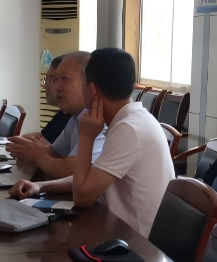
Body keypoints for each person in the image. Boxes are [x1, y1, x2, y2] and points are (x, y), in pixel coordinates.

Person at [10, 48, 175, 237]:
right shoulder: (130, 119)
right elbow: (93, 177)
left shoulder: (128, 128)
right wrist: (41, 186)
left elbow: (82, 196)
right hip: (118, 230)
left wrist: (87, 137)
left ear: (92, 89)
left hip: (134, 242)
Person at [5, 51, 106, 179]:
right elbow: (54, 152)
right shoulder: (76, 118)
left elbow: (70, 171)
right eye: (55, 80)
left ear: (88, 82)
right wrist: (30, 149)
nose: (56, 87)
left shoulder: (99, 121)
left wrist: (37, 155)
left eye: (64, 79)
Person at [36, 54, 71, 143]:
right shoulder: (63, 113)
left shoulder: (76, 119)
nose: (45, 86)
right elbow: (42, 139)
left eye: (52, 80)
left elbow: (43, 145)